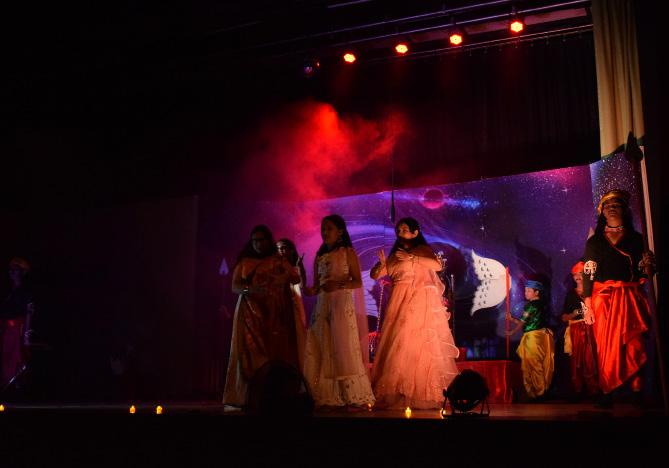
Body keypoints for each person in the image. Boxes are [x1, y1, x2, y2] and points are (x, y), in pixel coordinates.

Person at [370, 217, 459, 409]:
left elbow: (437, 266)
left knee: (412, 341)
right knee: (396, 342)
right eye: (398, 230)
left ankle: (419, 392)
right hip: (397, 300)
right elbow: (375, 275)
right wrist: (381, 264)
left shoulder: (421, 250)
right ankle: (398, 390)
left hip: (416, 301)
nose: (400, 233)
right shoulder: (395, 255)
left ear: (415, 233)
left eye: (404, 230)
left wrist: (412, 258)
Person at [582, 189, 655, 407]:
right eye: (607, 206)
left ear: (624, 210)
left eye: (616, 205)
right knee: (607, 346)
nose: (611, 208)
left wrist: (649, 266)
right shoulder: (594, 242)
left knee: (634, 344)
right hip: (603, 299)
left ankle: (637, 390)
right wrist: (587, 304)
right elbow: (588, 273)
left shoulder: (637, 239)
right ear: (602, 212)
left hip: (630, 297)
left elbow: (643, 273)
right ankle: (608, 390)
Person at [222, 225, 303, 408]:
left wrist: (284, 278)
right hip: (250, 314)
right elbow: (235, 286)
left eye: (261, 240)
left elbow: (295, 278)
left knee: (276, 353)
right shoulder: (245, 262)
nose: (258, 244)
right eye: (254, 240)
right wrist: (251, 289)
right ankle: (251, 397)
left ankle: (276, 396)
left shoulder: (278, 260)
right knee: (251, 353)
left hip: (275, 315)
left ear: (269, 240)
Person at [303, 214, 375, 409]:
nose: (325, 232)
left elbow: (357, 281)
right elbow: (316, 287)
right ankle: (325, 394)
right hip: (322, 306)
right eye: (323, 229)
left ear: (340, 231)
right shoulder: (319, 256)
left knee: (341, 346)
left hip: (341, 305)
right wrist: (307, 288)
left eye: (329, 228)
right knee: (323, 344)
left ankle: (346, 394)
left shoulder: (347, 252)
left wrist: (338, 285)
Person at [508, 279, 555, 400]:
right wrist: (512, 319)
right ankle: (540, 391)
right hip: (542, 337)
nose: (526, 293)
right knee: (539, 363)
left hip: (533, 338)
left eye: (529, 291)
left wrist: (512, 331)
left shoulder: (531, 305)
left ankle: (538, 392)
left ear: (536, 292)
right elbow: (527, 322)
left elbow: (523, 322)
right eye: (525, 291)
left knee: (533, 364)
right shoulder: (542, 305)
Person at [560, 261, 599, 398]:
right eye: (575, 275)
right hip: (576, 331)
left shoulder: (594, 291)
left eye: (580, 273)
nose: (577, 277)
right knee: (577, 361)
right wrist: (575, 313)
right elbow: (564, 317)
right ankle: (578, 390)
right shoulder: (571, 295)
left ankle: (596, 390)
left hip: (593, 329)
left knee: (592, 359)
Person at [0, 257, 35, 391]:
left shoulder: (25, 291)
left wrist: (26, 334)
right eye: (10, 270)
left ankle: (16, 386)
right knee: (5, 356)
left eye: (15, 270)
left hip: (16, 329)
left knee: (16, 357)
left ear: (22, 272)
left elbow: (29, 313)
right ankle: (7, 384)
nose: (11, 272)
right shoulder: (8, 290)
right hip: (5, 329)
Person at [276, 238, 308, 371]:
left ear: (291, 250)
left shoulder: (295, 267)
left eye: (284, 248)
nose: (281, 251)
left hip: (294, 303)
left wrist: (300, 267)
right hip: (278, 305)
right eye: (278, 248)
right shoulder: (274, 267)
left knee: (297, 336)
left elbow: (302, 285)